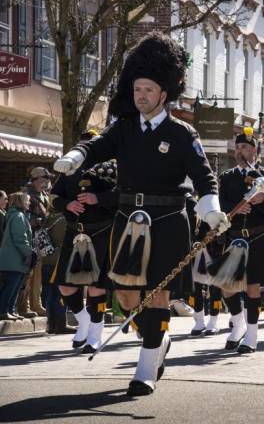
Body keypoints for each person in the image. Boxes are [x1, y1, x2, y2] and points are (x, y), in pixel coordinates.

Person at [54, 32, 229, 396]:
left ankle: (146, 366)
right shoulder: (125, 128)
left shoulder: (183, 133)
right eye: (137, 91)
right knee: (129, 297)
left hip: (168, 221)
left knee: (158, 294)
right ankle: (156, 339)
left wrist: (210, 207)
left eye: (148, 90)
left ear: (164, 92)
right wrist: (76, 156)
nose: (142, 97)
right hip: (128, 221)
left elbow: (203, 175)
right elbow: (97, 145)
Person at [217, 128, 264, 353]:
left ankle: (252, 335)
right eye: (238, 147)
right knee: (227, 288)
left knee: (252, 288)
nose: (240, 151)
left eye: (245, 147)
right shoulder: (227, 177)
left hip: (258, 236)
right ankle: (238, 323)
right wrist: (236, 209)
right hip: (234, 238)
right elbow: (221, 203)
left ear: (254, 151)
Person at [50, 130, 119, 352]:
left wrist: (97, 198)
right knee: (64, 285)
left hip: (101, 232)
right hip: (74, 232)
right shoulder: (69, 168)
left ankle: (95, 336)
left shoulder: (111, 167)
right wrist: (67, 205)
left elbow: (123, 195)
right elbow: (54, 197)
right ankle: (84, 321)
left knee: (96, 287)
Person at [16, 167, 54, 318]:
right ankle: (23, 307)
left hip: (41, 239)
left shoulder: (44, 194)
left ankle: (36, 304)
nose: (47, 182)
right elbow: (23, 219)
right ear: (36, 179)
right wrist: (40, 221)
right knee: (28, 275)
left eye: (48, 179)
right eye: (44, 179)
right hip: (30, 238)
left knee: (37, 275)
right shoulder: (26, 195)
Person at [0, 192, 33, 320]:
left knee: (15, 286)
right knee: (11, 286)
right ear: (20, 201)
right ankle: (3, 311)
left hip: (14, 259)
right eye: (27, 200)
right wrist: (29, 253)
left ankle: (10, 310)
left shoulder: (16, 215)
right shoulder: (18, 216)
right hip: (14, 259)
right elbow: (20, 238)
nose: (29, 203)